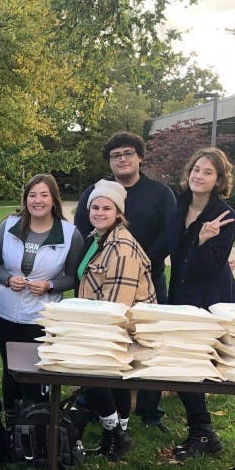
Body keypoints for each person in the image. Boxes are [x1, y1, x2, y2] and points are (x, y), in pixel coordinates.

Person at [74, 131, 176, 430]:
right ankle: (104, 407)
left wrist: (139, 260)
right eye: (116, 154)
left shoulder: (159, 193)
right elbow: (83, 229)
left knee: (140, 343)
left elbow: (169, 233)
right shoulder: (97, 191)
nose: (122, 159)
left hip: (143, 275)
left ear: (140, 157)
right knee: (113, 348)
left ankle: (146, 411)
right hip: (102, 273)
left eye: (128, 153)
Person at [76, 179, 156, 460]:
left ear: (118, 213)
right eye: (95, 207)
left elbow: (118, 306)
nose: (99, 212)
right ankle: (118, 436)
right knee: (114, 380)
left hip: (119, 325)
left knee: (90, 372)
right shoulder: (99, 238)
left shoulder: (121, 247)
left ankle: (115, 433)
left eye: (106, 208)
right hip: (101, 319)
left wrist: (91, 332)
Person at [0, 173, 83, 415]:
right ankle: (11, 421)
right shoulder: (9, 225)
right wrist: (8, 279)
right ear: (25, 199)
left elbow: (74, 277)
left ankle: (37, 422)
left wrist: (50, 285)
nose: (37, 200)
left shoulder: (69, 233)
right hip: (5, 312)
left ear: (54, 200)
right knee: (11, 369)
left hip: (41, 316)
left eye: (44, 195)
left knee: (36, 372)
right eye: (32, 195)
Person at [167, 147, 235, 458]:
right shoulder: (179, 205)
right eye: (197, 169)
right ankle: (202, 430)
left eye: (208, 172)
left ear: (219, 179)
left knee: (192, 364)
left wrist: (201, 241)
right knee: (180, 363)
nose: (200, 175)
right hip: (181, 293)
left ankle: (203, 432)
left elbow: (207, 268)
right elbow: (170, 249)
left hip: (209, 298)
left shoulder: (224, 217)